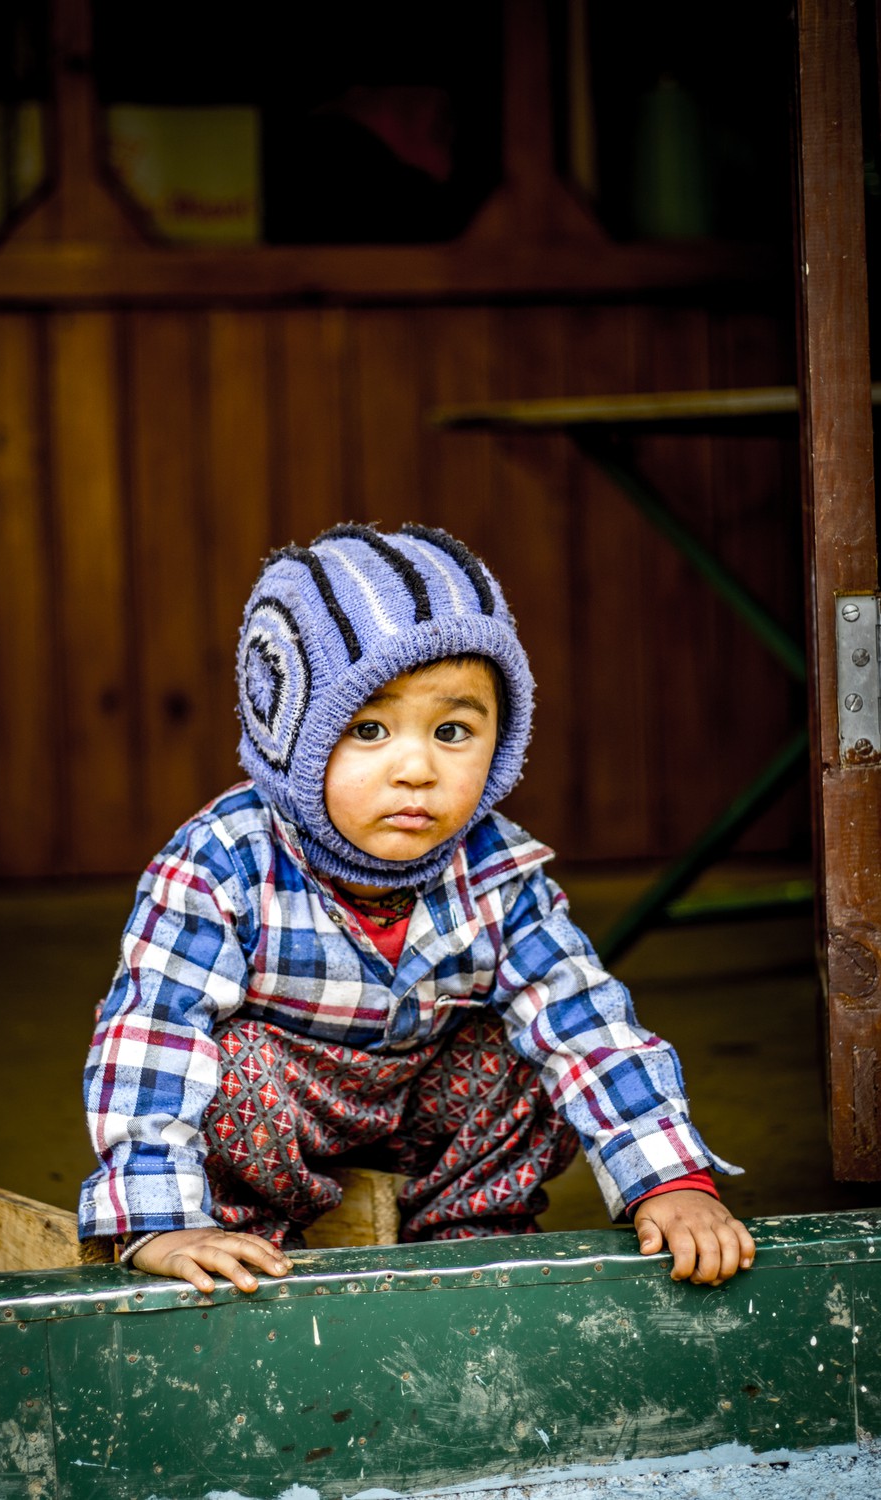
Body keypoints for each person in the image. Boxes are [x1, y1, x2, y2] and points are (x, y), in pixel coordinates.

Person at [79, 522, 756, 1295]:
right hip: (278, 1118)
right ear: (289, 737)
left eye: (453, 730)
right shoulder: (221, 861)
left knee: (535, 1056)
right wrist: (157, 1218)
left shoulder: (498, 866)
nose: (417, 768)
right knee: (226, 1070)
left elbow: (585, 1021)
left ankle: (471, 1232)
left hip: (420, 1105)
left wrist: (670, 1179)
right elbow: (151, 1032)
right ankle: (238, 1233)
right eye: (368, 729)